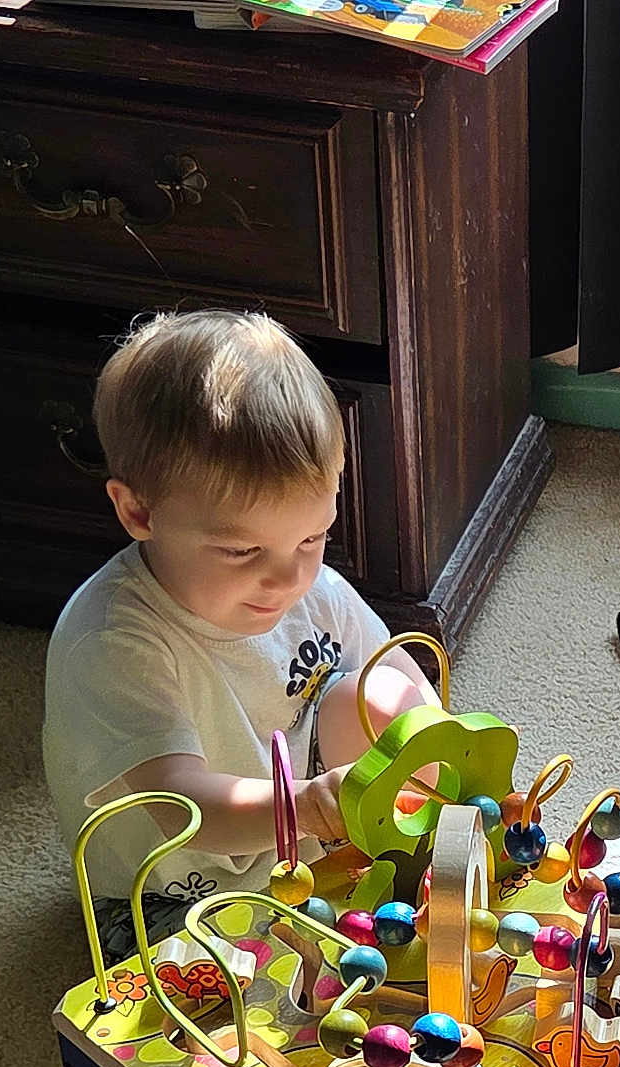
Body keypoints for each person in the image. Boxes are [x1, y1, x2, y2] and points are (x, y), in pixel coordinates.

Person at [43, 308, 438, 961]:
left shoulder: (316, 588)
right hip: (171, 891)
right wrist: (308, 809)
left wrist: (446, 767)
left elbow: (402, 689)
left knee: (382, 700)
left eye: (313, 537)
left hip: (299, 833)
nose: (287, 577)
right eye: (240, 550)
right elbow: (186, 810)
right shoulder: (113, 642)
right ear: (138, 510)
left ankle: (365, 892)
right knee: (238, 1003)